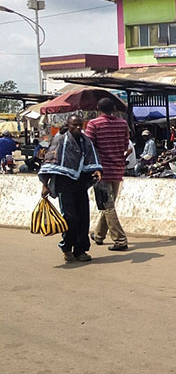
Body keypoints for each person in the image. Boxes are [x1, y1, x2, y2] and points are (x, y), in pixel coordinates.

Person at [38, 114, 103, 263]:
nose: (78, 128)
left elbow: (92, 158)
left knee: (83, 218)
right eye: (75, 125)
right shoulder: (60, 140)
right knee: (70, 218)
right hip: (64, 184)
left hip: (80, 184)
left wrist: (96, 169)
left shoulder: (86, 141)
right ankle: (67, 247)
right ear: (68, 125)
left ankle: (81, 250)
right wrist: (45, 185)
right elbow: (50, 161)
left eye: (80, 125)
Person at [84, 97, 130, 251]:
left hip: (101, 171)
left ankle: (120, 240)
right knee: (108, 205)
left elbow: (88, 147)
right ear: (114, 109)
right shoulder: (123, 124)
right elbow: (125, 145)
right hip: (117, 169)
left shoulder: (94, 124)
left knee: (107, 206)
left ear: (98, 108)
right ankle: (98, 235)